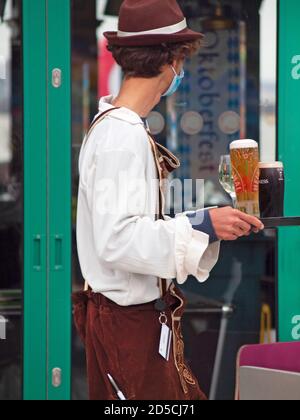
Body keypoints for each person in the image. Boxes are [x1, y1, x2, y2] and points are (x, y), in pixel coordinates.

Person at [74, 0, 264, 401]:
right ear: (171, 60)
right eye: (182, 59)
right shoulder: (121, 136)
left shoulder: (117, 128)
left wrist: (202, 221)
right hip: (128, 326)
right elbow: (118, 241)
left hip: (133, 323)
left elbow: (127, 228)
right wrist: (202, 225)